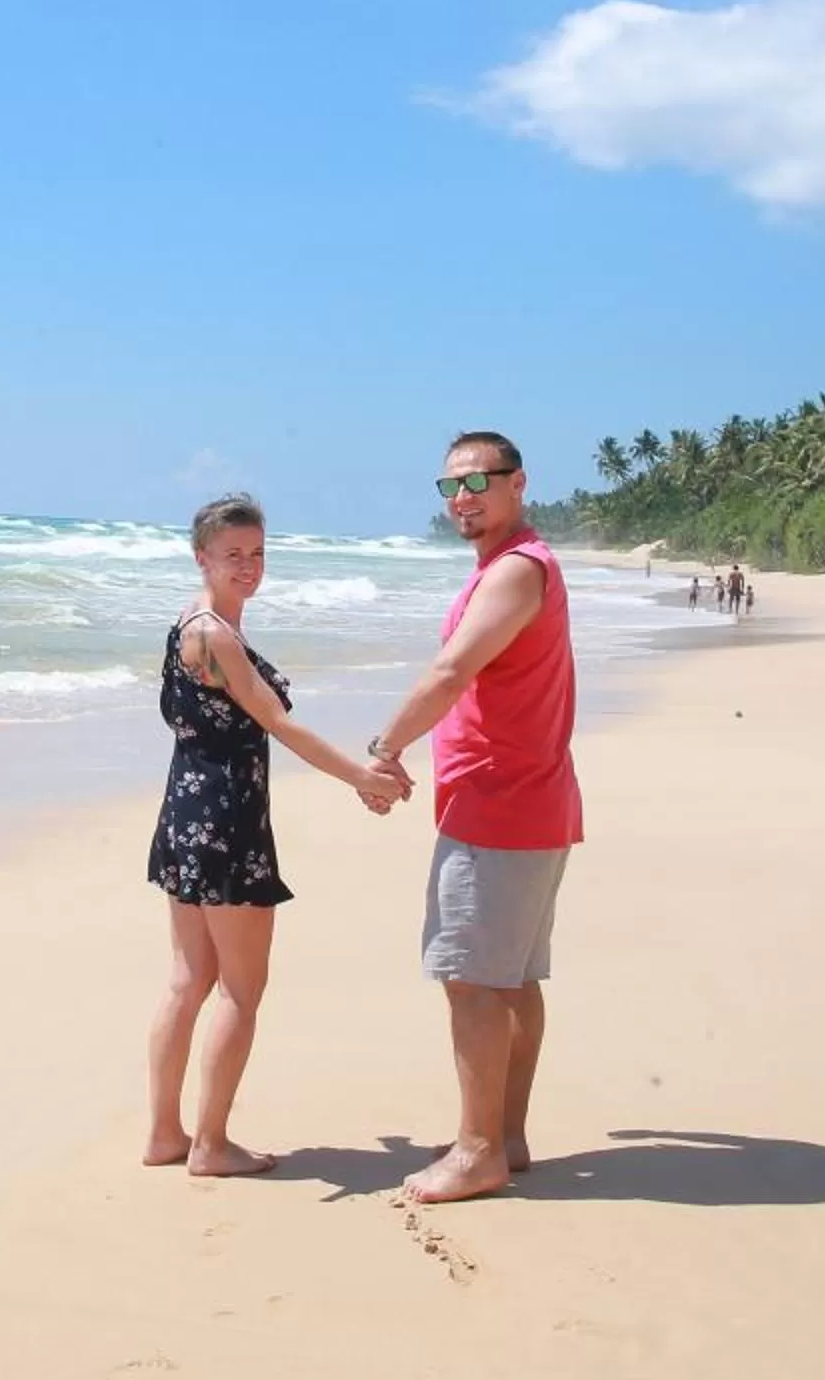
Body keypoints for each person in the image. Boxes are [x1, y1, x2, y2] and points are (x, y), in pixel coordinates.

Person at [145, 492, 412, 1177]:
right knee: (239, 989)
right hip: (227, 820)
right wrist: (362, 777)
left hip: (185, 812)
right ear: (201, 556)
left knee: (188, 980)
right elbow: (279, 724)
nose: (249, 566)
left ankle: (166, 1134)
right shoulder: (216, 636)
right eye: (233, 554)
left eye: (258, 553)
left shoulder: (187, 621)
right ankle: (210, 1145)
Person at [364, 433, 583, 1205]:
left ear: (518, 484)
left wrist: (384, 749)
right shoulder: (512, 567)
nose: (463, 497)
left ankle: (480, 1150)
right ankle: (503, 1134)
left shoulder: (517, 569)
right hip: (527, 801)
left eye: (479, 481)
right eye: (451, 485)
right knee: (511, 979)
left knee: (472, 981)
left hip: (500, 805)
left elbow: (453, 670)